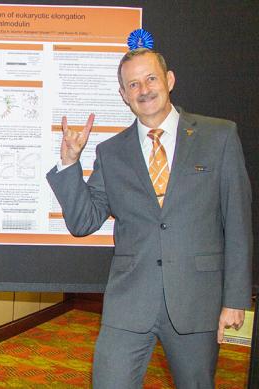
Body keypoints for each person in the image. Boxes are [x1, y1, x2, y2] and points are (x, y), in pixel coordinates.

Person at [47, 48, 252, 388]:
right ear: (124, 95)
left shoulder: (219, 136)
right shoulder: (111, 153)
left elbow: (238, 223)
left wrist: (234, 299)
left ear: (169, 80)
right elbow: (83, 221)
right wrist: (70, 162)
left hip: (196, 300)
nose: (144, 89)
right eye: (133, 84)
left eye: (151, 78)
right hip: (129, 301)